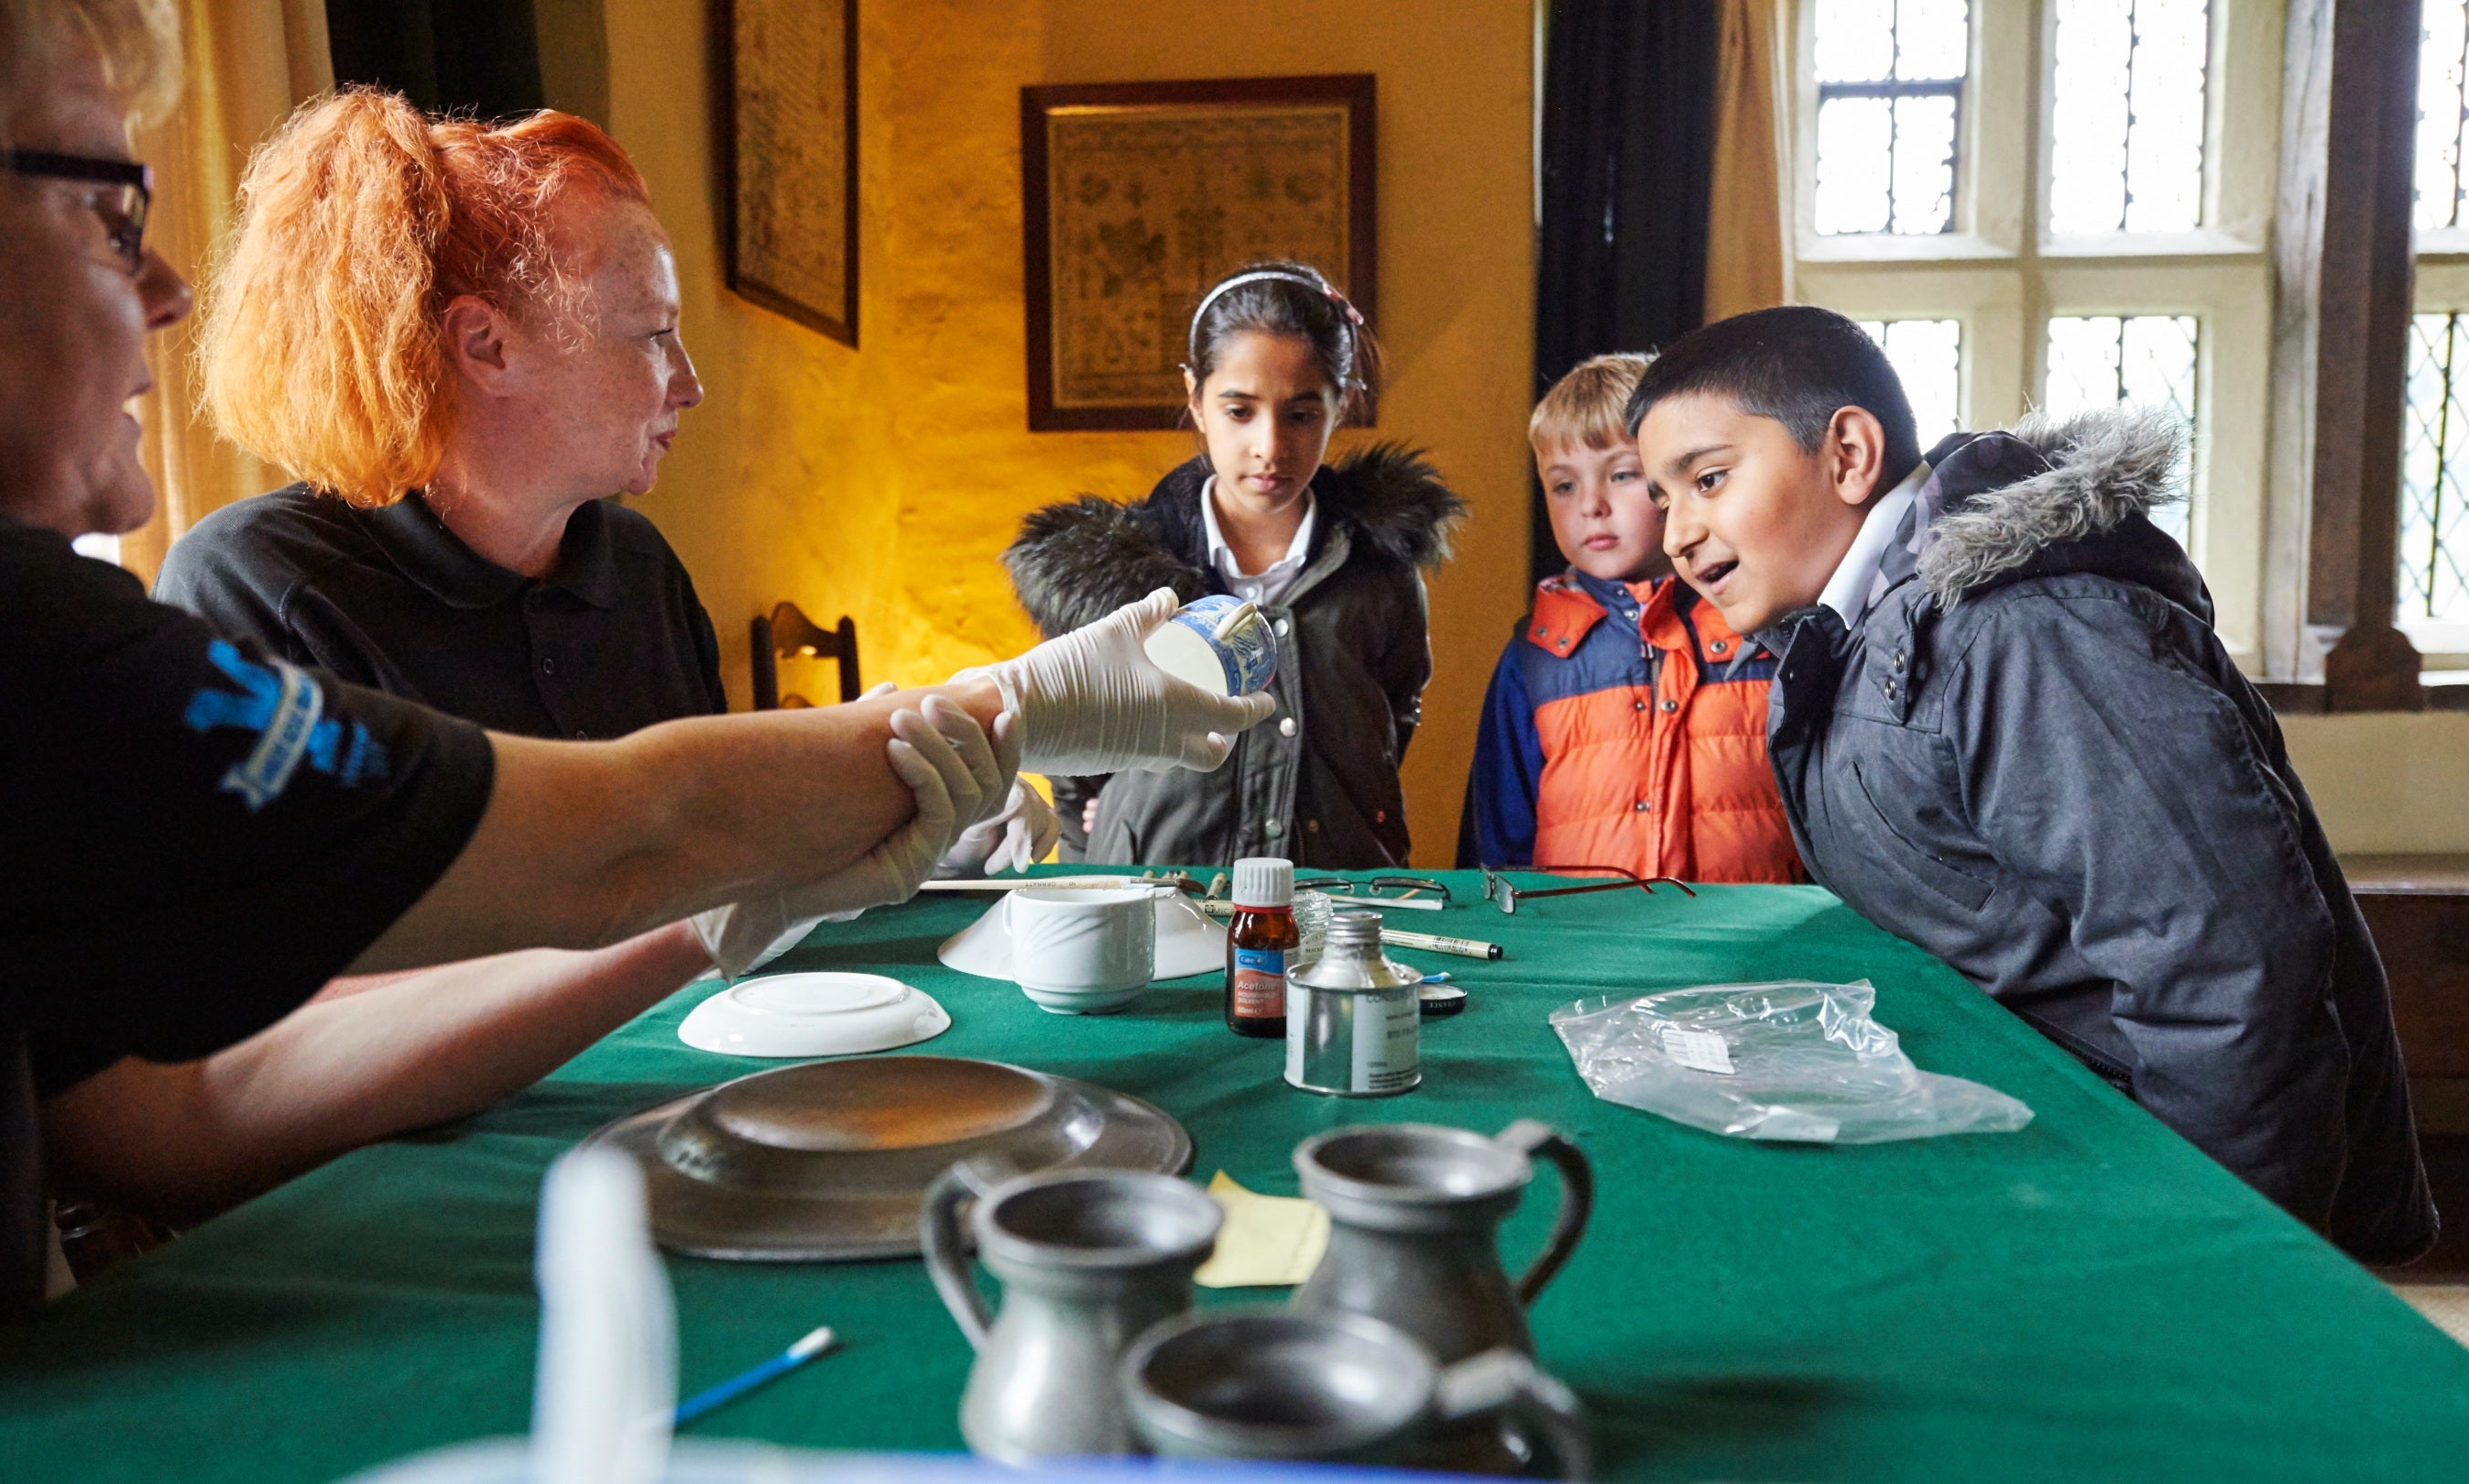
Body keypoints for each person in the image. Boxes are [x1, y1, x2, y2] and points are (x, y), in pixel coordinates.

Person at [0, 0, 1268, 1400]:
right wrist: (1000, 711)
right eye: (108, 208)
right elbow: (621, 836)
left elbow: (169, 1115)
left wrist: (737, 892)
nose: (168, 289)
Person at [1626, 304, 2437, 1261]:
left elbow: (2224, 971)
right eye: (1662, 497)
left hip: (2161, 1197)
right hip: (2055, 1161)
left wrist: (2213, 1261)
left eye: (1707, 480)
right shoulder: (1859, 636)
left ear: (1846, 452)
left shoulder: (2031, 633)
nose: (1675, 536)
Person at [153, 90, 1048, 877]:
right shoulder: (255, 588)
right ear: (487, 347)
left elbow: (709, 865)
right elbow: (303, 970)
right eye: (654, 334)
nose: (689, 385)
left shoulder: (638, 566)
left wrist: (913, 825)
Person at [1004, 261, 1465, 867]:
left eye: (1301, 415)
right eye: (1239, 411)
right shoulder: (1116, 575)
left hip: (1335, 893)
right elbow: (1076, 749)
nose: (1270, 447)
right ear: (1195, 399)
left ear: (1343, 404)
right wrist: (1111, 836)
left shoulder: (1380, 566)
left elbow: (1395, 709)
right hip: (1158, 895)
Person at [1458, 354, 1798, 879]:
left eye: (1621, 474)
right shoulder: (1534, 656)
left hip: (1758, 951)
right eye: (1564, 485)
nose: (1591, 505)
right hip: (1581, 951)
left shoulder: (1765, 630)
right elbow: (1497, 843)